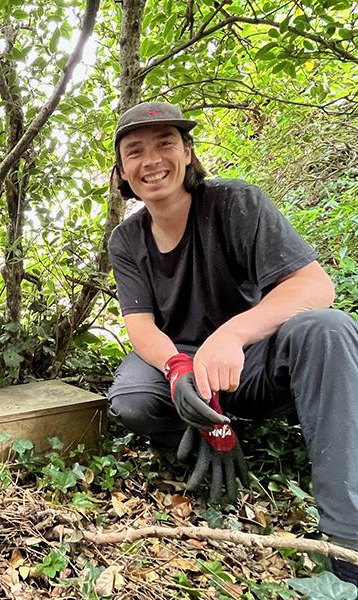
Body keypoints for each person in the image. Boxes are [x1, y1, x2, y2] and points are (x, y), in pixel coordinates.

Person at [105, 101, 358, 585]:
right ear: (121, 171)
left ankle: (348, 539)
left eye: (165, 144)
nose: (151, 160)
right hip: (185, 367)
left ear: (187, 152)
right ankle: (211, 434)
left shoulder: (236, 203)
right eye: (135, 151)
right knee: (132, 400)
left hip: (249, 360)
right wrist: (178, 367)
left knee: (328, 328)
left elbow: (315, 287)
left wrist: (233, 333)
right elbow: (140, 328)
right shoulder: (126, 240)